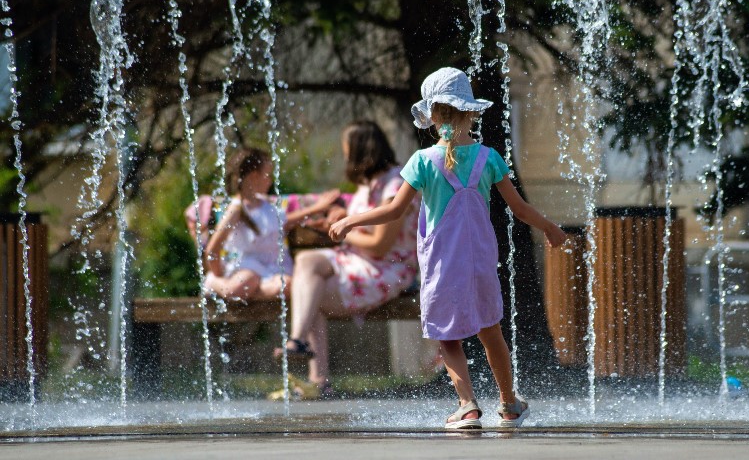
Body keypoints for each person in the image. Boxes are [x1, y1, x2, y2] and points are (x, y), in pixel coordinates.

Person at [330, 67, 566, 429]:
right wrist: (549, 227)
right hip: (481, 264)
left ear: (433, 116)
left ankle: (468, 406)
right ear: (470, 112)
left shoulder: (422, 162)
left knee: (448, 337)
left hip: (441, 265)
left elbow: (393, 210)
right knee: (491, 332)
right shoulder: (489, 157)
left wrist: (350, 221)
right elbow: (518, 209)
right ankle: (509, 404)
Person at [274, 121, 420, 397]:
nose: (344, 156)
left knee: (307, 293)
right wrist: (335, 226)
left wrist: (343, 230)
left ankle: (316, 377)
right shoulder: (367, 186)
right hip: (354, 262)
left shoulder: (396, 185)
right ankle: (299, 345)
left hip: (387, 269)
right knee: (306, 264)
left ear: (359, 150)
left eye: (345, 149)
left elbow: (379, 245)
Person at [202, 147, 342, 300]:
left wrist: (317, 208)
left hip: (273, 268)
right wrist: (219, 276)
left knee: (286, 286)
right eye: (268, 175)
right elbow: (212, 250)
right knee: (243, 284)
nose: (270, 180)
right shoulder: (236, 209)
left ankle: (249, 294)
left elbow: (287, 220)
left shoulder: (266, 205)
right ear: (255, 176)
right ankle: (213, 284)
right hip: (249, 267)